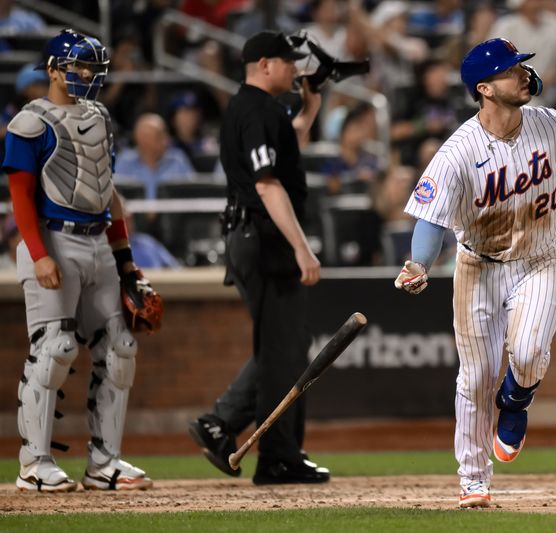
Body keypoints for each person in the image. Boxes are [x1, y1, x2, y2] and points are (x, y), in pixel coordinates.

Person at [393, 38, 556, 508]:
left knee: (532, 350)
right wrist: (418, 263)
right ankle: (474, 479)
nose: (522, 74)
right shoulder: (457, 151)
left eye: (521, 66)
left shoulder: (550, 124)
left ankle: (515, 403)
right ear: (485, 89)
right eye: (510, 70)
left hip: (540, 259)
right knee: (475, 378)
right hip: (478, 267)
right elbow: (430, 219)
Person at [2, 29, 153, 492]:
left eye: (92, 68)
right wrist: (39, 253)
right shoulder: (30, 122)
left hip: (97, 241)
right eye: (77, 67)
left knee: (120, 347)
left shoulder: (101, 117)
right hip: (53, 239)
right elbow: (20, 195)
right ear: (53, 69)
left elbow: (109, 193)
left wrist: (127, 261)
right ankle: (34, 462)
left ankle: (105, 461)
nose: (86, 75)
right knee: (55, 350)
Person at [188, 30, 329, 485]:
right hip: (263, 238)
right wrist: (301, 246)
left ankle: (260, 442)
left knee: (286, 345)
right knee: (282, 349)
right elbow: (268, 183)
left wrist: (309, 111)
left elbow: (280, 152)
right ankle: (261, 447)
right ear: (265, 64)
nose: (295, 71)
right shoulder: (259, 109)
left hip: (252, 235)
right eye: (288, 63)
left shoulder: (250, 107)